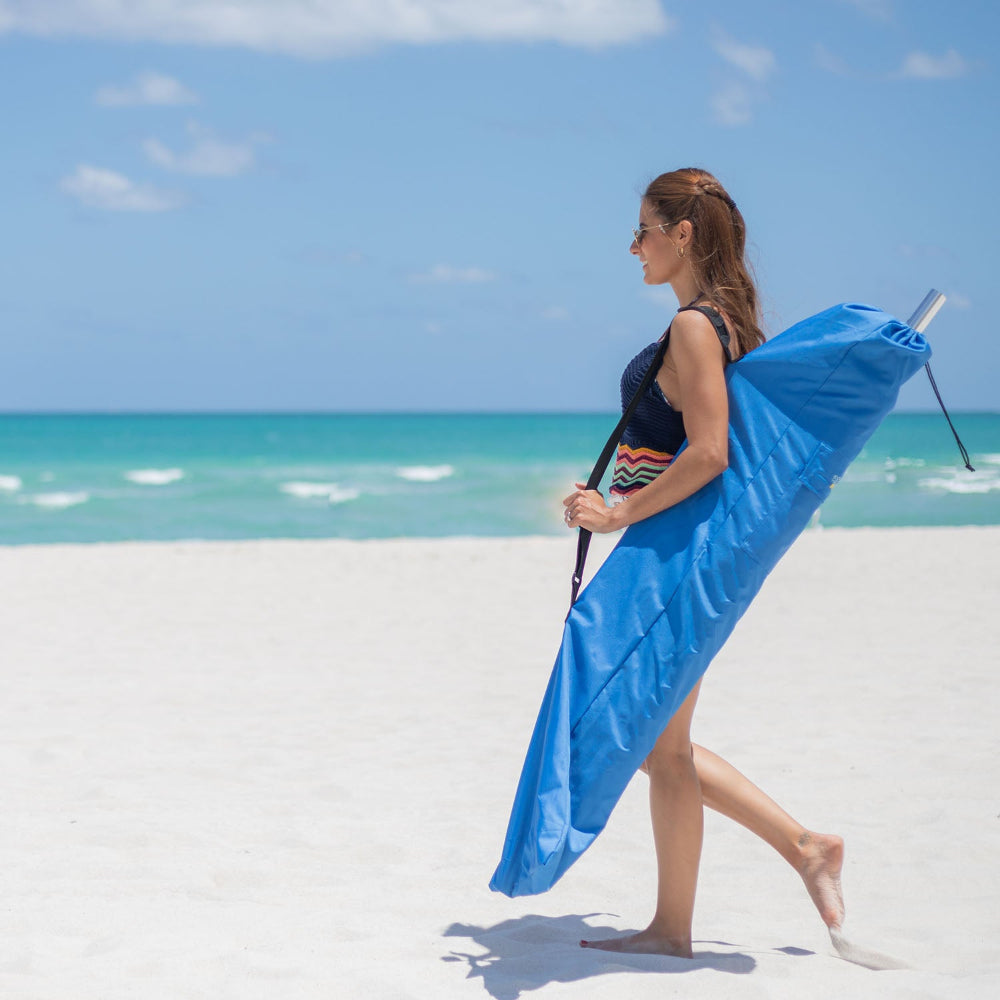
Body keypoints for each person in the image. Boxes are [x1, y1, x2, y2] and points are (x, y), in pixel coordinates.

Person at [561, 167, 844, 957]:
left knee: (659, 742)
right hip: (691, 550)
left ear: (681, 234)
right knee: (664, 745)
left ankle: (796, 850)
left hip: (683, 557)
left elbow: (712, 453)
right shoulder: (722, 322)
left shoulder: (694, 326)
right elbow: (686, 447)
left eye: (643, 230)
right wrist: (613, 494)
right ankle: (688, 919)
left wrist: (617, 511)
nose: (633, 246)